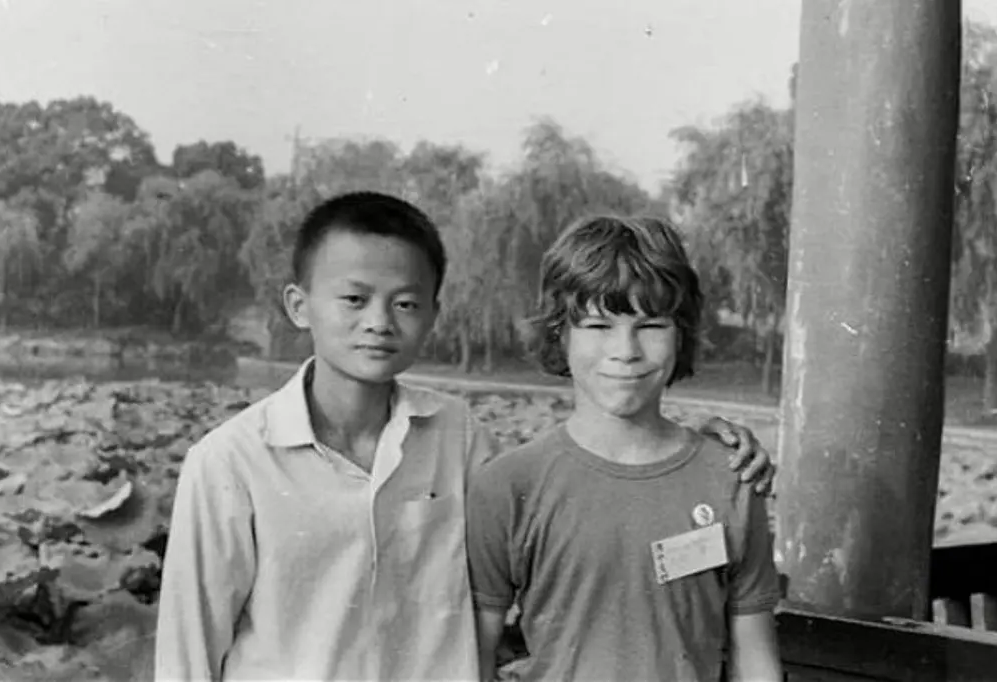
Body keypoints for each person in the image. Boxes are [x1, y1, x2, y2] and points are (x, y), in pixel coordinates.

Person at [154, 193, 777, 681]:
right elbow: (186, 658)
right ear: (298, 305)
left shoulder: (458, 436)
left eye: (404, 303)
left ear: (432, 314)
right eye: (353, 298)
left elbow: (593, 480)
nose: (377, 322)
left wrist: (699, 444)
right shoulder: (228, 463)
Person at [466, 214, 783, 682]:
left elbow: (755, 658)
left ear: (682, 334)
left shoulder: (732, 477)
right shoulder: (507, 485)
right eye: (597, 326)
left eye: (651, 325)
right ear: (560, 333)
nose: (625, 350)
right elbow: (473, 653)